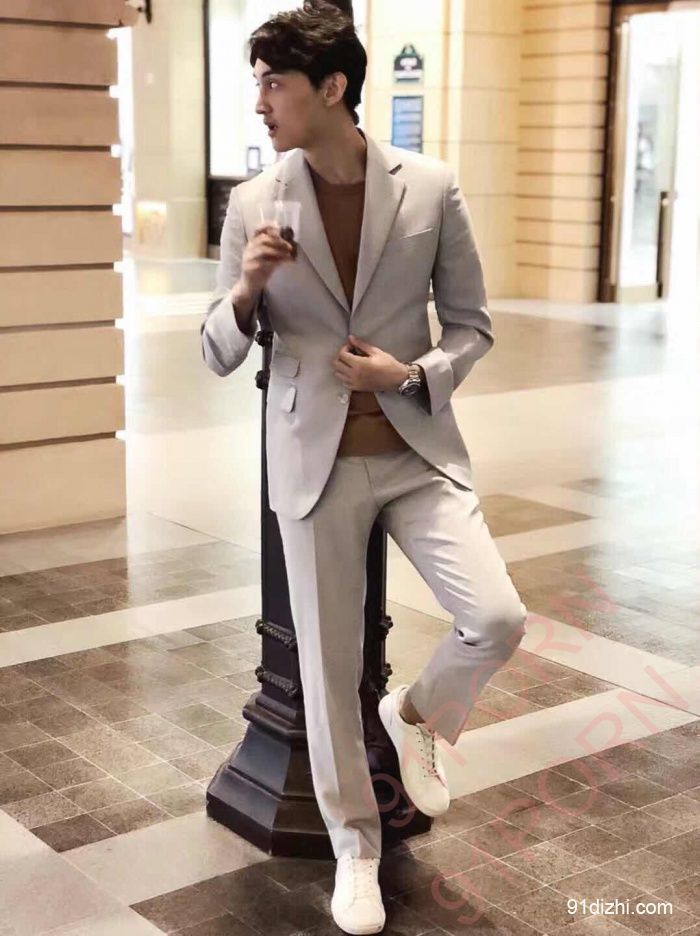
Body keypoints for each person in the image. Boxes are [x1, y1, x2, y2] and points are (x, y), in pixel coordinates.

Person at [201, 2, 527, 932]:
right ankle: (357, 849)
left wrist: (408, 375)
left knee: (496, 617)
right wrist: (247, 286)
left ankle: (417, 716)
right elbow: (216, 351)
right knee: (329, 667)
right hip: (315, 465)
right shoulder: (255, 203)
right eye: (257, 83)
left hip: (415, 452)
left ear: (332, 86)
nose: (260, 102)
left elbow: (472, 327)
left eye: (275, 83)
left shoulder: (429, 188)